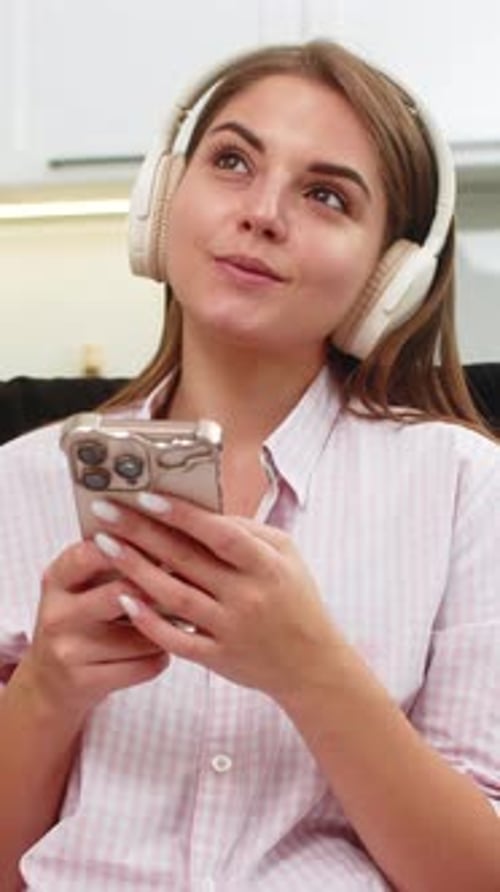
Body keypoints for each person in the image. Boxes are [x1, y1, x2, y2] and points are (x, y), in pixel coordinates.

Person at [0, 39, 499, 892]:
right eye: (232, 160)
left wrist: (310, 671)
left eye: (326, 195)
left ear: (390, 278)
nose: (264, 212)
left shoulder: (466, 488)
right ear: (164, 198)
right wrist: (47, 691)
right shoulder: (20, 482)